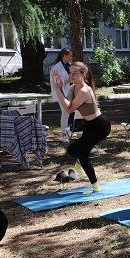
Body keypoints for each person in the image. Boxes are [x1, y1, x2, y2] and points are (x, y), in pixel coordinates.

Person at [53, 62, 111, 194]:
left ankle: (80, 162)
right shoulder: (72, 88)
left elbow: (68, 109)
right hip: (89, 125)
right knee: (83, 155)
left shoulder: (85, 91)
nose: (71, 75)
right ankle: (95, 186)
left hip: (100, 126)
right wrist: (60, 89)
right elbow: (67, 104)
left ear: (83, 74)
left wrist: (57, 89)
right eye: (70, 72)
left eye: (75, 73)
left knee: (72, 150)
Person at [49, 48, 73, 143]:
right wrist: (67, 81)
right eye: (70, 55)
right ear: (64, 56)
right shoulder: (56, 67)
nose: (71, 57)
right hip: (61, 93)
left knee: (74, 112)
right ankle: (64, 135)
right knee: (65, 113)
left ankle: (76, 131)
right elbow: (56, 83)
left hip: (70, 92)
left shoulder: (69, 65)